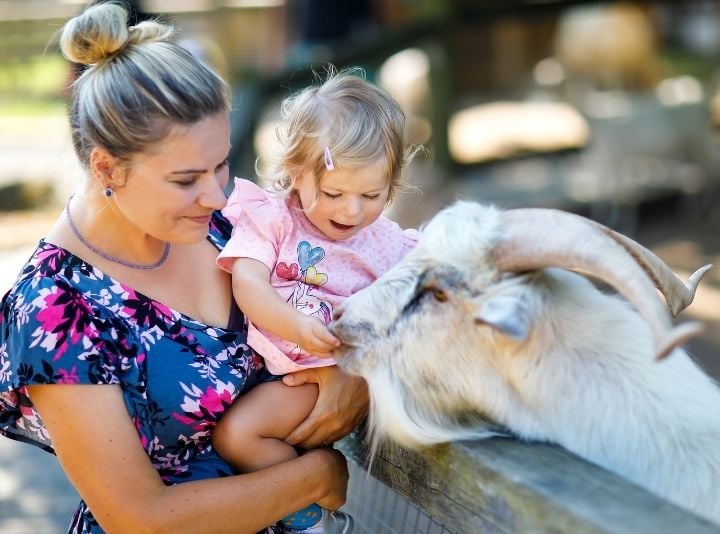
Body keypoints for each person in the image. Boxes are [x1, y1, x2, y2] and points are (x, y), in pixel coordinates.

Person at [0, 3, 367, 533]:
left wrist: (351, 371)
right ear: (106, 166)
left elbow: (350, 286)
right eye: (186, 179)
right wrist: (316, 477)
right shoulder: (55, 310)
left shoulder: (234, 223)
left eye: (222, 164)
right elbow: (140, 518)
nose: (216, 194)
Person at [211, 70, 419, 533]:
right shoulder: (273, 219)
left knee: (238, 434)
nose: (352, 211)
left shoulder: (389, 245)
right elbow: (249, 282)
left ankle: (309, 515)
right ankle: (307, 484)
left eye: (372, 194)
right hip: (277, 362)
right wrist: (293, 324)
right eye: (334, 193)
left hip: (316, 377)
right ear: (297, 173)